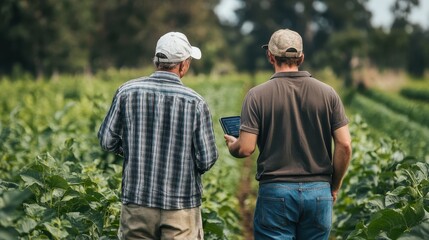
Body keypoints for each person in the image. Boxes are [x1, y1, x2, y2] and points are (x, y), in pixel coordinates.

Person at [224, 29, 352, 240]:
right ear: (301, 58)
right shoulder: (328, 93)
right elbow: (345, 145)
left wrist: (232, 145)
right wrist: (334, 186)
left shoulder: (256, 96)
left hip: (276, 192)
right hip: (319, 193)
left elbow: (246, 148)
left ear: (270, 56)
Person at [98, 31, 219, 240]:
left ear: (156, 61)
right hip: (180, 207)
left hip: (137, 202)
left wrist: (132, 150)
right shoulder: (195, 103)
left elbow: (107, 141)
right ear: (183, 65)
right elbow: (206, 159)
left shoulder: (127, 92)